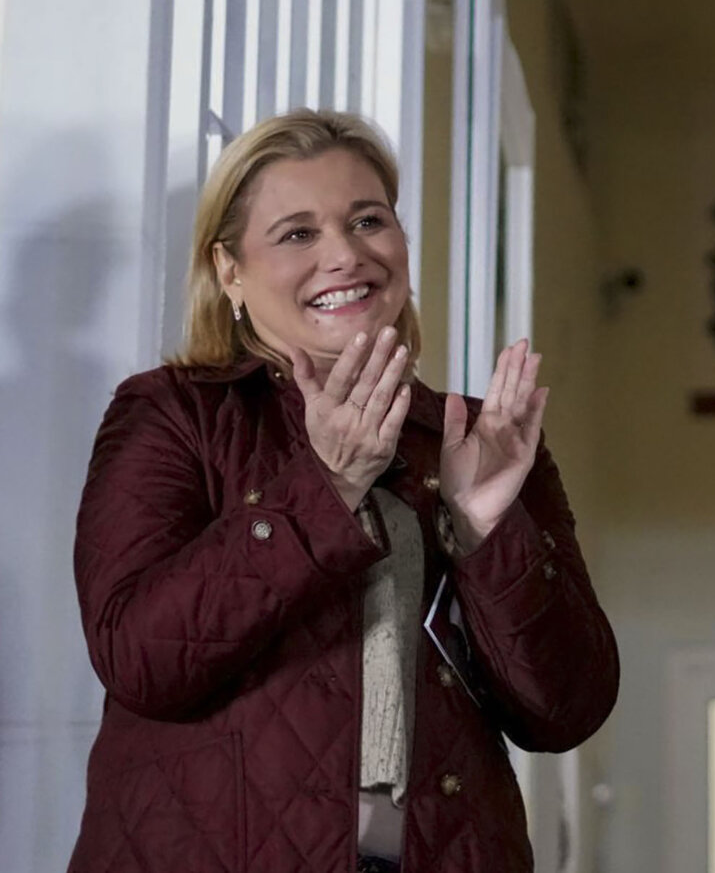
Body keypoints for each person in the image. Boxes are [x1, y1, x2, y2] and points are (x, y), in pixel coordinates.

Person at [70, 111, 617, 873]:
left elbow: (567, 710)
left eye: (369, 220)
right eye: (297, 234)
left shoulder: (475, 436)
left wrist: (486, 531)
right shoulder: (172, 415)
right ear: (229, 269)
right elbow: (142, 660)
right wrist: (324, 488)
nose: (346, 256)